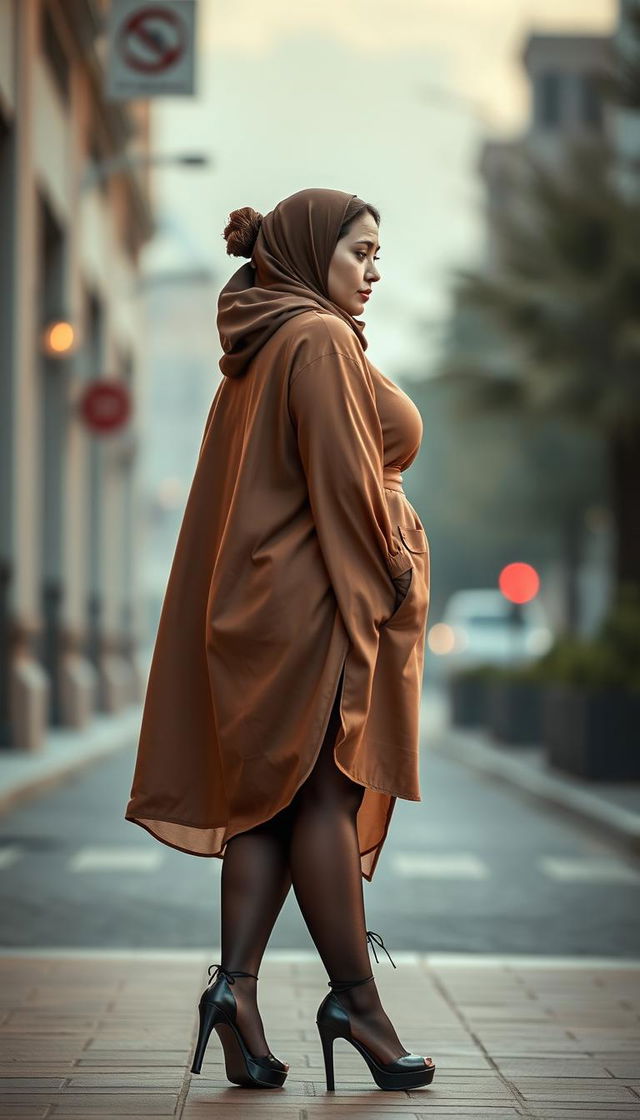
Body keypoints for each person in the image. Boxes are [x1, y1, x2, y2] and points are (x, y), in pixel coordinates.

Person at [125, 188, 435, 1092]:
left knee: (270, 807)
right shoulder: (320, 339)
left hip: (265, 606)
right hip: (314, 608)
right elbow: (344, 485)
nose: (374, 273)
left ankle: (237, 992)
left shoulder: (263, 341)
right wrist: (395, 578)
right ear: (311, 252)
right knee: (327, 805)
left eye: (379, 256)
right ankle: (357, 1004)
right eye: (362, 253)